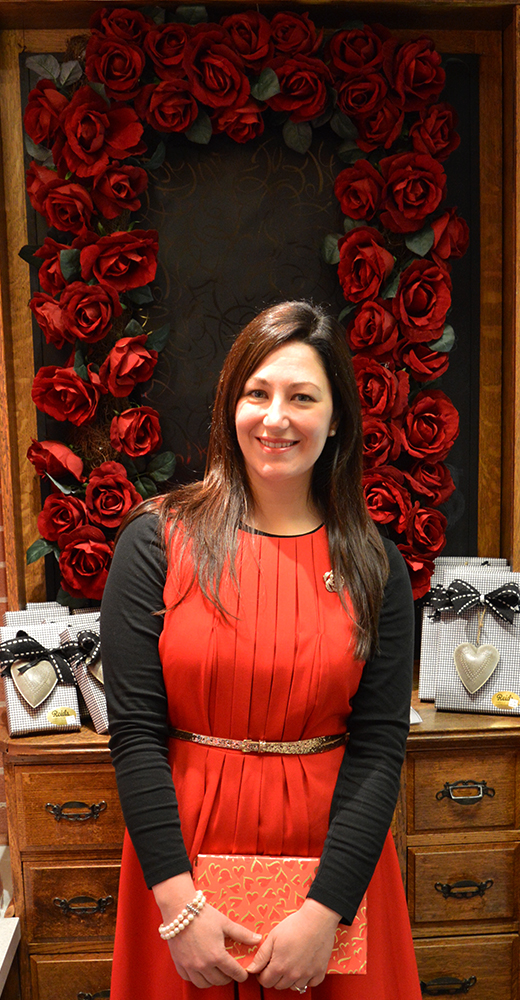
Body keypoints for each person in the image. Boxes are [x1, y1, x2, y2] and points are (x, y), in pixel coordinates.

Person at [101, 300, 422, 1000]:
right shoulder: (155, 542)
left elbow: (379, 747)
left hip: (333, 875)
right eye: (258, 393)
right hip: (182, 876)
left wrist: (326, 914)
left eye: (302, 397)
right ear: (231, 406)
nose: (276, 417)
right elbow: (135, 734)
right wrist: (179, 908)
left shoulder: (376, 566)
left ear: (336, 419)